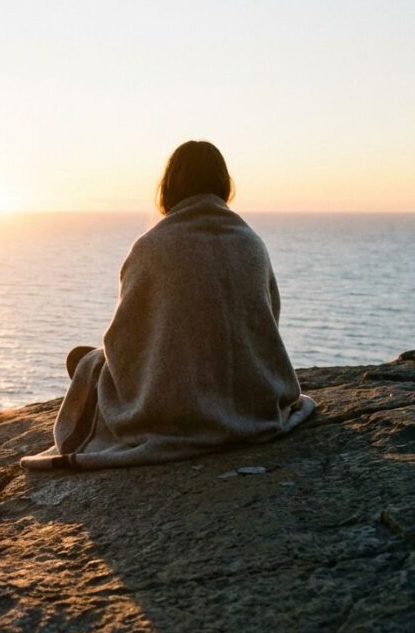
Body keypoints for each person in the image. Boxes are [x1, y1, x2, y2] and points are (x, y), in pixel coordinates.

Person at [21, 141, 316, 470]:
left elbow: (124, 343)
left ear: (169, 186)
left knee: (83, 361)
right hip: (252, 403)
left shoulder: (151, 247)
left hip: (175, 410)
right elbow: (267, 325)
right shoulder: (252, 244)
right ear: (224, 184)